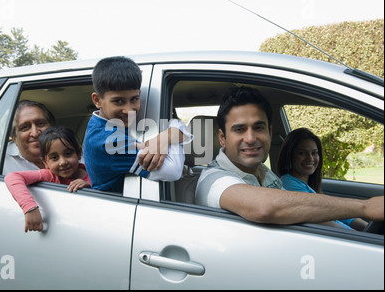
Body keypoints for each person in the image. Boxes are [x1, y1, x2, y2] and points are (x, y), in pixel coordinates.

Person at [195, 86, 384, 226]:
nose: (251, 138)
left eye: (259, 127)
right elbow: (264, 207)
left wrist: (352, 236)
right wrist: (365, 207)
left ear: (269, 131)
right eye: (239, 129)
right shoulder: (213, 179)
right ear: (222, 138)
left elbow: (304, 210)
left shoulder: (265, 174)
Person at [84, 56, 192, 192]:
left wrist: (165, 137)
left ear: (139, 94)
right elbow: (173, 171)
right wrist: (173, 128)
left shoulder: (101, 124)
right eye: (118, 101)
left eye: (134, 99)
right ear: (97, 100)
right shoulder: (107, 140)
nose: (129, 110)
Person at [277, 127, 368, 230]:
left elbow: (336, 211)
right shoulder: (289, 186)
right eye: (302, 153)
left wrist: (367, 228)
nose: (310, 159)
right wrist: (364, 237)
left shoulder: (303, 184)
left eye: (314, 153)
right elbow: (327, 223)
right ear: (289, 156)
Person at [5, 126, 91, 232]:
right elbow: (12, 177)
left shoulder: (94, 173)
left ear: (79, 154)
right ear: (45, 162)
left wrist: (89, 186)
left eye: (68, 154)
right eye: (54, 157)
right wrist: (30, 208)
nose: (63, 162)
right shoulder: (50, 176)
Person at [0, 100, 56, 175]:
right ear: (13, 137)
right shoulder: (0, 158)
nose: (35, 133)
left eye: (40, 124)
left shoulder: (67, 149)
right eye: (25, 127)